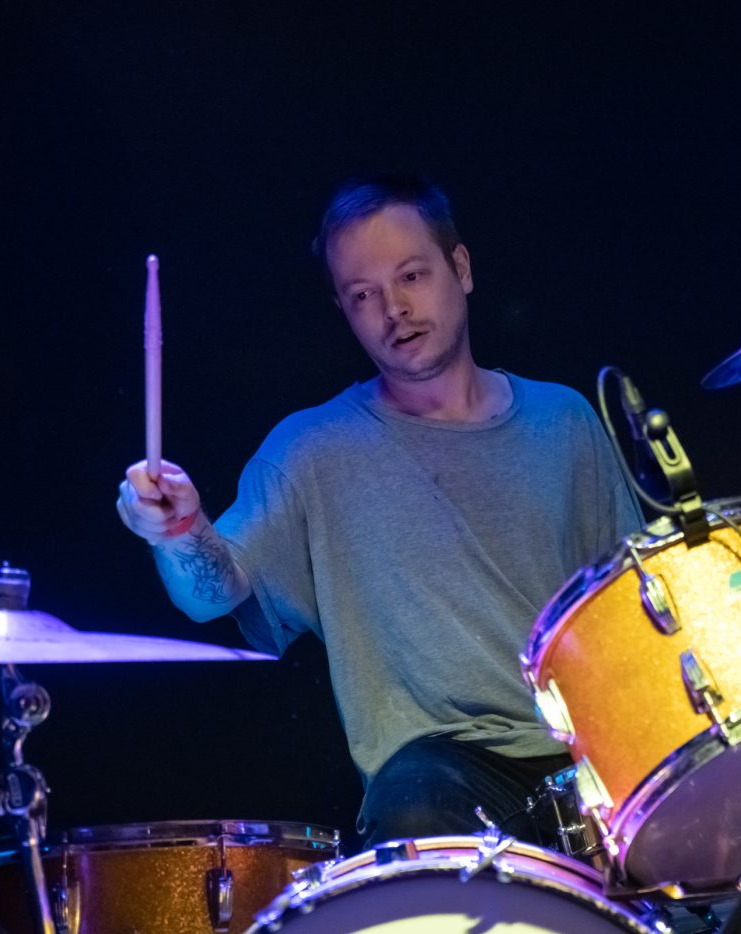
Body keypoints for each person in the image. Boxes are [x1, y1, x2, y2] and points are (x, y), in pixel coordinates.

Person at [116, 175, 642, 849]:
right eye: (363, 295)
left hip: (595, 758)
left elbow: (636, 607)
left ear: (462, 269)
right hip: (449, 778)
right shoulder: (310, 449)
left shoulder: (563, 420)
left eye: (412, 276)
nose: (392, 310)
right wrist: (179, 529)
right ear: (342, 308)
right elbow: (210, 594)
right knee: (413, 805)